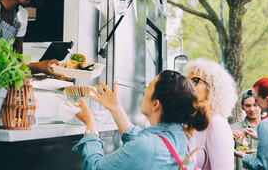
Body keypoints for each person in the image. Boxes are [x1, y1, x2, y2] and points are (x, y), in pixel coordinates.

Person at [72, 70, 209, 169]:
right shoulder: (186, 137)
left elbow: (95, 167)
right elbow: (140, 141)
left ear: (155, 104)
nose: (144, 90)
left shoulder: (148, 146)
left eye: (149, 87)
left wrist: (90, 124)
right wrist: (116, 108)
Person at [184, 58, 238, 170]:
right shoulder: (191, 120)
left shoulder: (217, 123)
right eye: (187, 81)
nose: (188, 86)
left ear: (212, 88)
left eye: (195, 80)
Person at [235, 77, 268, 170]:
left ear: (267, 100)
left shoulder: (266, 124)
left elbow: (264, 167)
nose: (255, 104)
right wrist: (260, 138)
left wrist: (244, 156)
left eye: (256, 100)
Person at [231, 89, 261, 170]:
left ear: (260, 104)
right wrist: (227, 138)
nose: (252, 109)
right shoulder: (233, 128)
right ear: (242, 106)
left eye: (255, 105)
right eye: (248, 105)